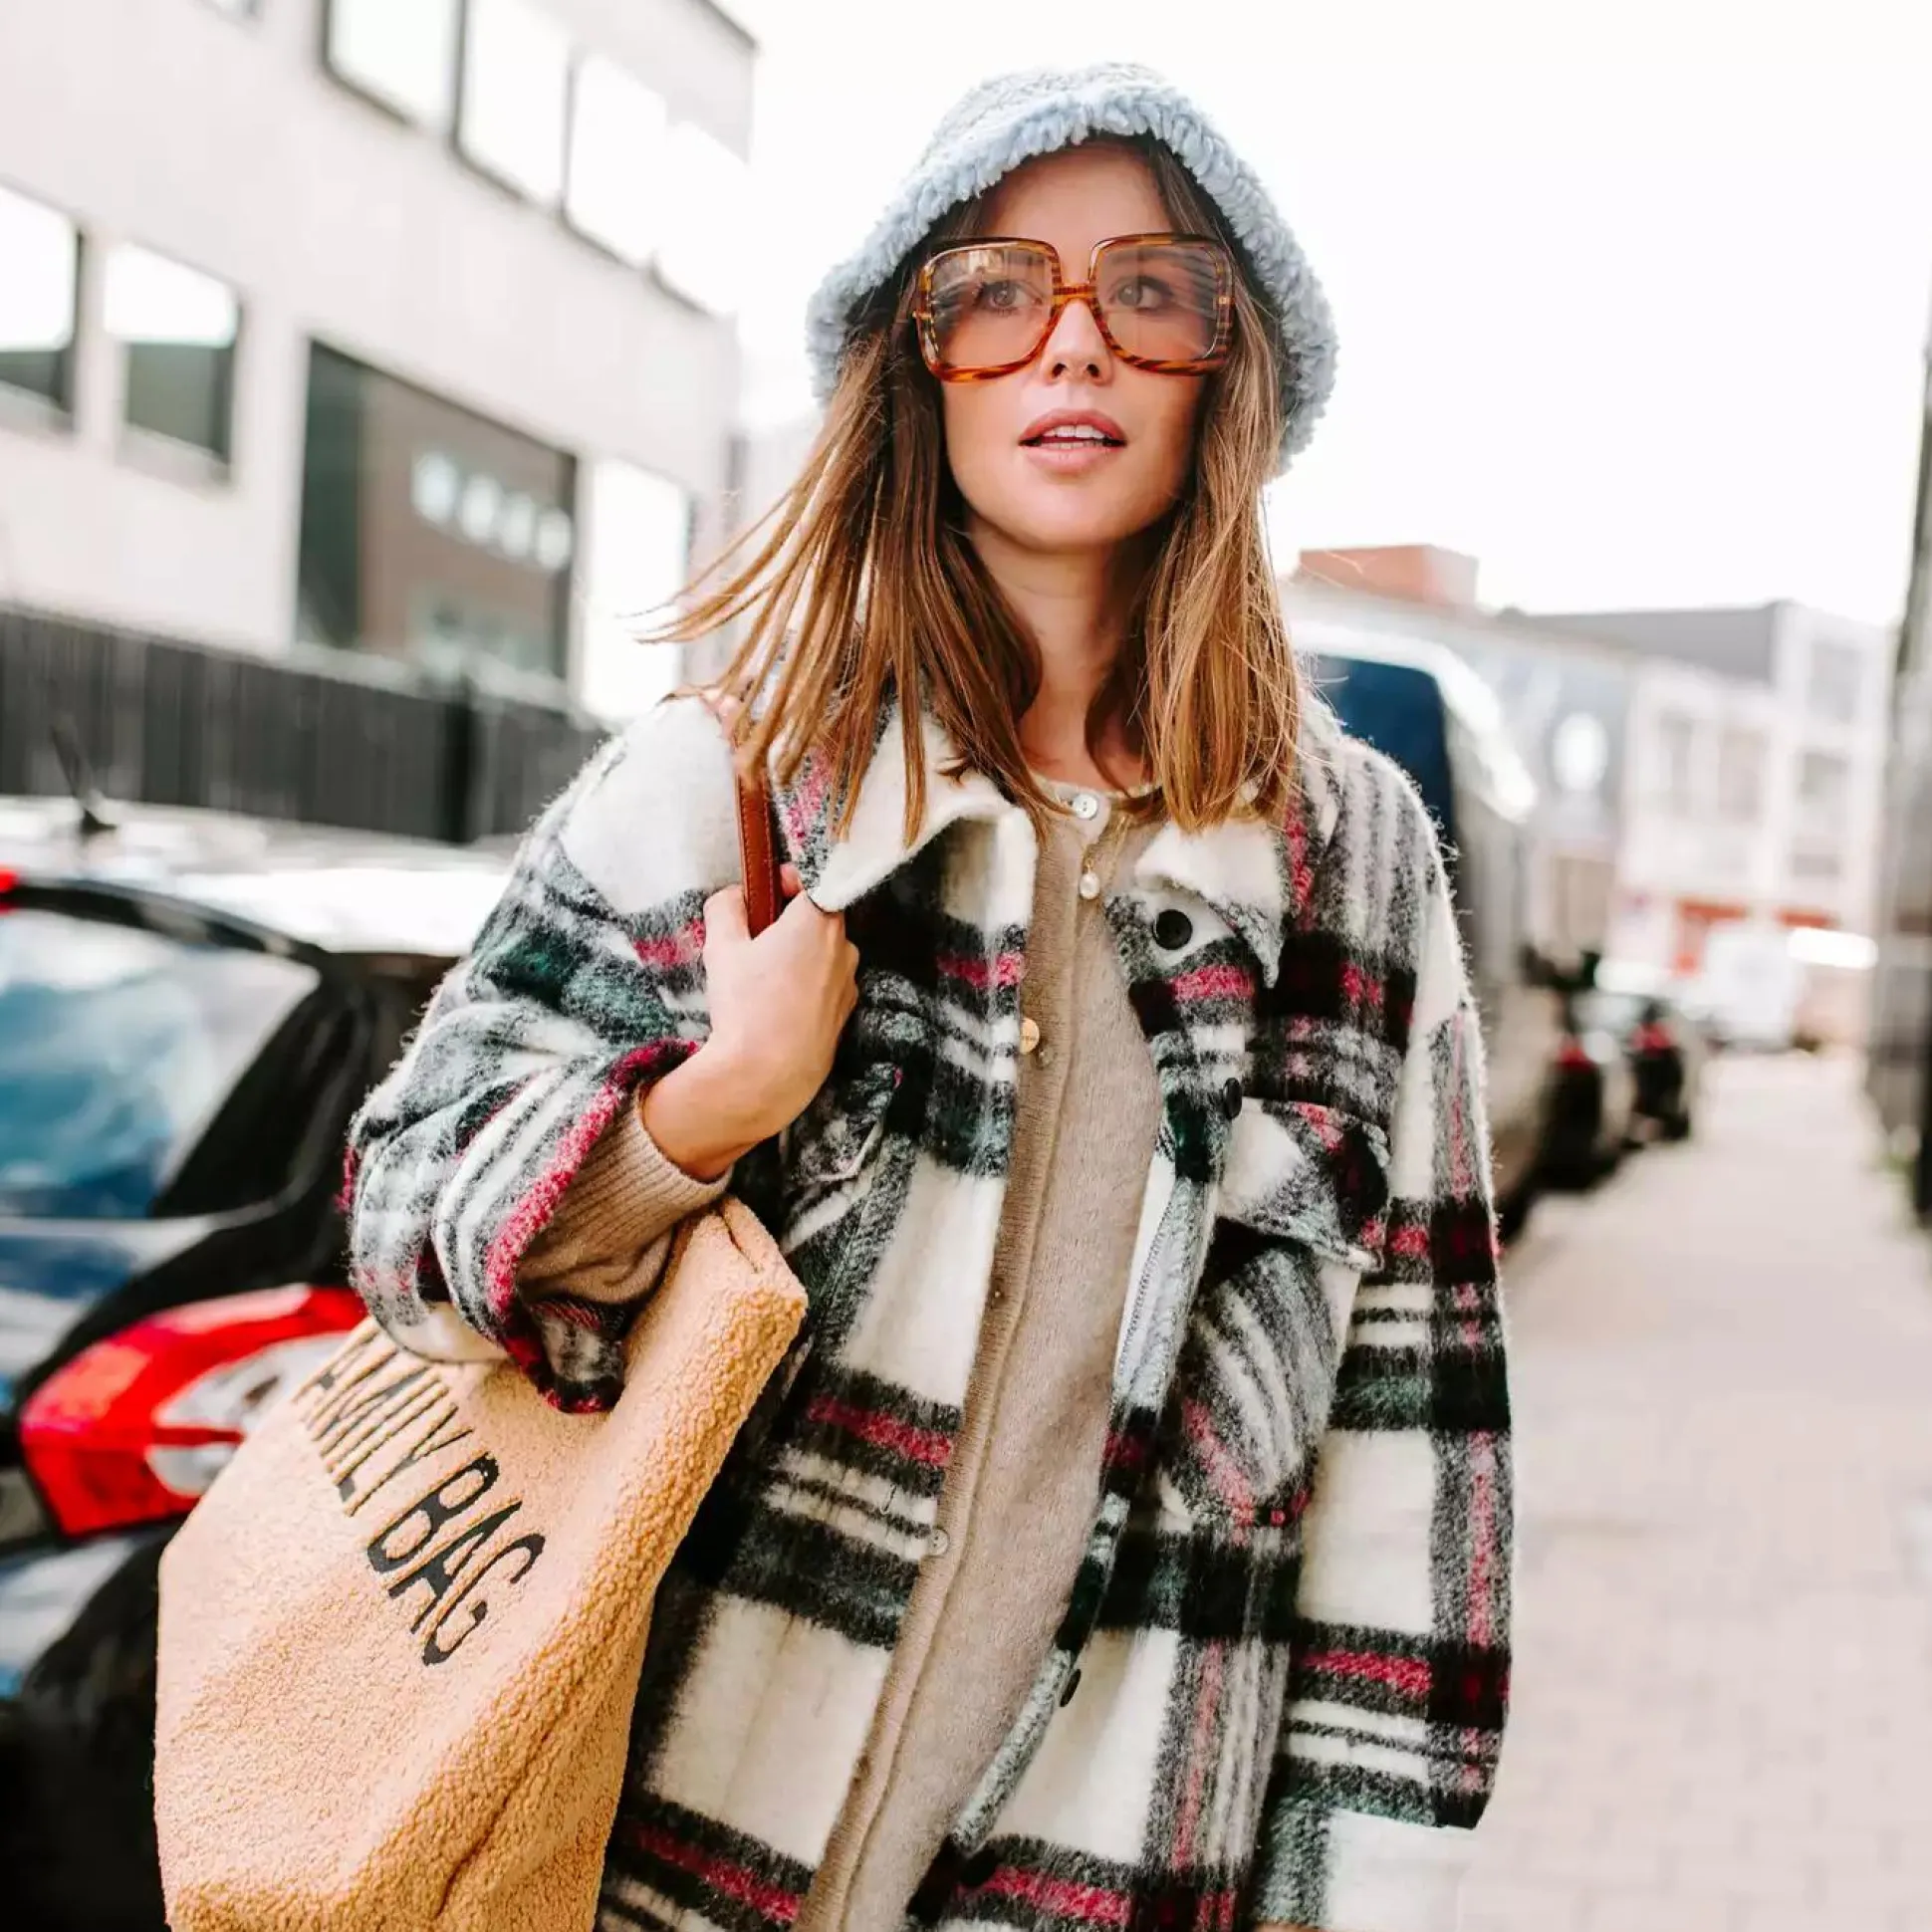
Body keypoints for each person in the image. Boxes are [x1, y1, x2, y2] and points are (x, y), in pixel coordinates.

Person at [347, 63, 1514, 1932]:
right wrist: (698, 1113)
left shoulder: (1351, 861)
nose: (1076, 343)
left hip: (1124, 1862)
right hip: (651, 1849)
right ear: (918, 359)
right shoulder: (734, 782)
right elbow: (403, 1223)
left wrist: (1360, 1892)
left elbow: (1411, 1424)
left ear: (1233, 368)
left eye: (1150, 289)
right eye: (997, 289)